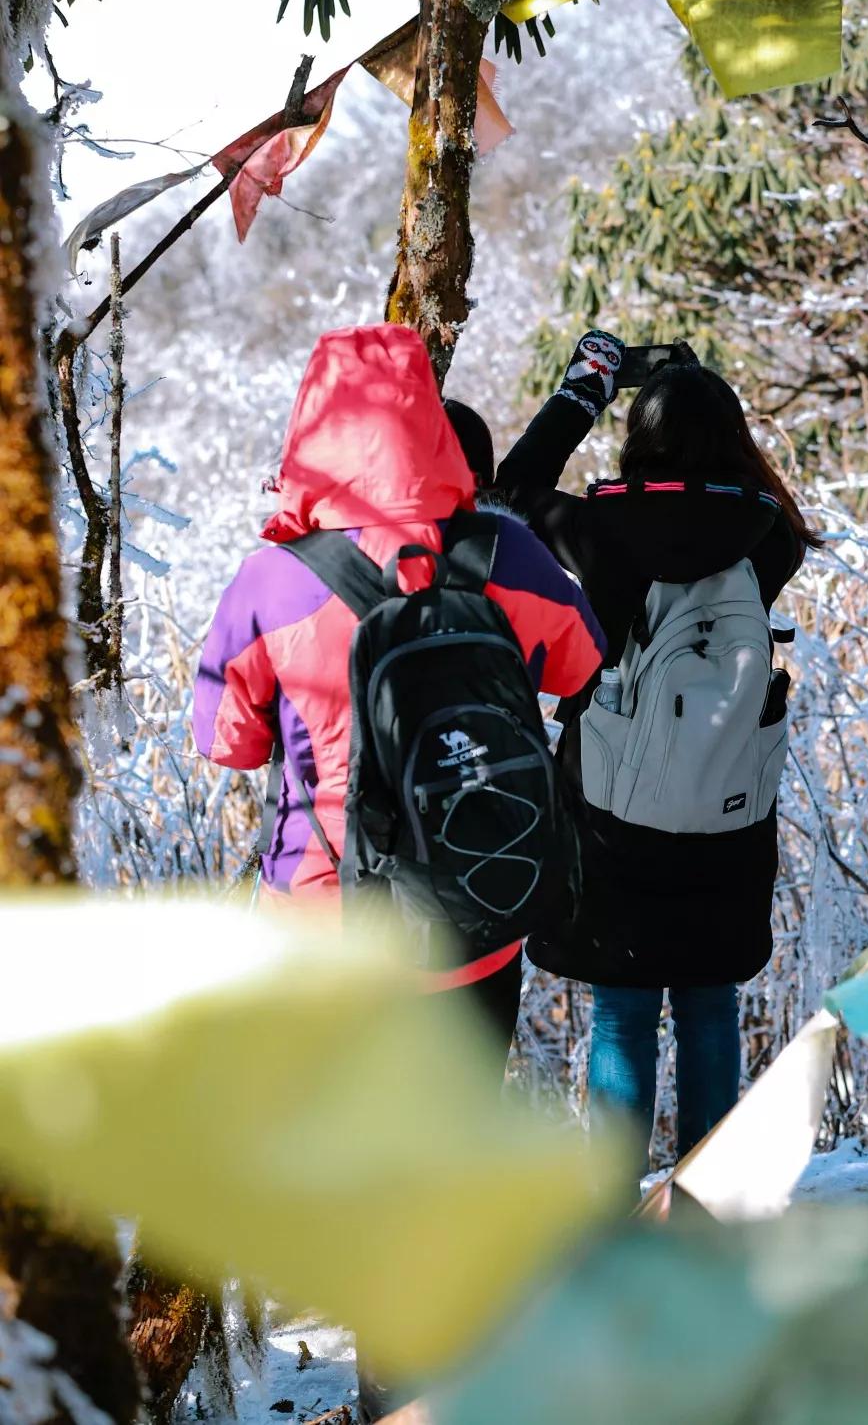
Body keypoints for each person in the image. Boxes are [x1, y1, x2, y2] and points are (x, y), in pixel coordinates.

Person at [193, 323, 605, 1059]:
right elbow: (581, 664)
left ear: (313, 428)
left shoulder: (272, 580)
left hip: (323, 919)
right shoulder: (504, 552)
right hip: (472, 900)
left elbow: (224, 741)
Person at [496, 330, 822, 1178]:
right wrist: (697, 394)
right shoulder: (769, 537)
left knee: (623, 1014)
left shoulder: (599, 529)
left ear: (642, 438)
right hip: (728, 804)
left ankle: (612, 1202)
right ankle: (710, 1198)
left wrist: (587, 387)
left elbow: (513, 490)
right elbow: (740, 504)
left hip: (612, 807)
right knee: (711, 1005)